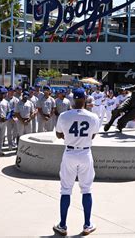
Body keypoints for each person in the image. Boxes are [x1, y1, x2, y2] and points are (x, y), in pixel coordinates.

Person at [53, 88, 100, 236]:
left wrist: (69, 136)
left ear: (73, 99)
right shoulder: (93, 117)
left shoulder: (64, 115)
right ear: (85, 99)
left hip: (70, 152)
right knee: (86, 189)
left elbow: (58, 134)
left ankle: (63, 225)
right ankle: (87, 224)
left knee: (66, 189)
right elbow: (92, 136)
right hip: (85, 152)